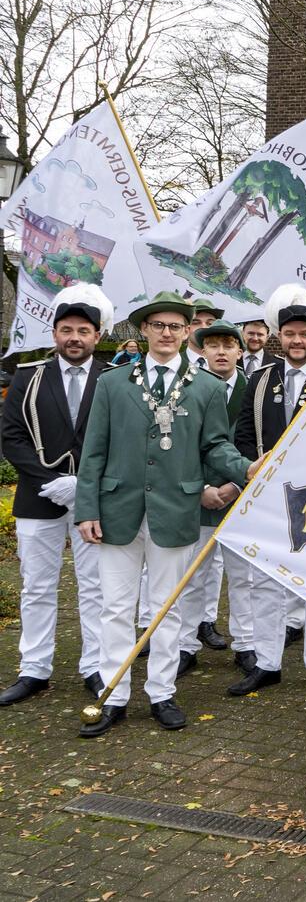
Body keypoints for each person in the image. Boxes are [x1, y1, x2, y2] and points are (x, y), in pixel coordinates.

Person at [74, 291, 258, 737]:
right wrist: (86, 508)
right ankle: (113, 695)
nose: (167, 333)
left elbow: (215, 445)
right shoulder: (113, 382)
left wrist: (246, 468)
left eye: (176, 326)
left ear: (187, 331)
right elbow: (93, 450)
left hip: (175, 509)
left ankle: (161, 692)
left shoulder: (207, 387)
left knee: (167, 608)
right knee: (116, 607)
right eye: (158, 325)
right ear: (145, 329)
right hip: (117, 509)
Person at [0, 285, 111, 707]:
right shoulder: (29, 376)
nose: (74, 338)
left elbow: (124, 439)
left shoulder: (114, 379)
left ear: (97, 335)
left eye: (83, 331)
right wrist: (48, 480)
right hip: (38, 496)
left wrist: (85, 484)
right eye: (67, 330)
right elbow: (11, 436)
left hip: (93, 499)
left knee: (95, 586)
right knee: (36, 586)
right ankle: (34, 669)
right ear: (55, 334)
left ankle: (95, 666)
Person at [226, 288, 306, 699]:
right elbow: (242, 434)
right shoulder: (259, 380)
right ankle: (267, 662)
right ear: (279, 336)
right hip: (269, 497)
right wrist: (249, 468)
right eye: (289, 334)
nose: (297, 340)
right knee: (266, 582)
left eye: (304, 334)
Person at [175, 322, 249, 675]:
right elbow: (179, 443)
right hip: (199, 497)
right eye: (214, 345)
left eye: (228, 345)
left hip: (242, 498)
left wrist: (237, 484)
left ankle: (246, 644)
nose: (221, 351)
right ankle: (185, 645)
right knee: (192, 577)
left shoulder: (254, 390)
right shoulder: (186, 388)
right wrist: (202, 487)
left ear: (240, 351)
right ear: (201, 351)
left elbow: (258, 441)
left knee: (243, 578)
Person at [184, 298, 223, 371]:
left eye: (210, 323)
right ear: (186, 329)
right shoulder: (171, 363)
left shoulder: (229, 368)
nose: (204, 327)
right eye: (196, 323)